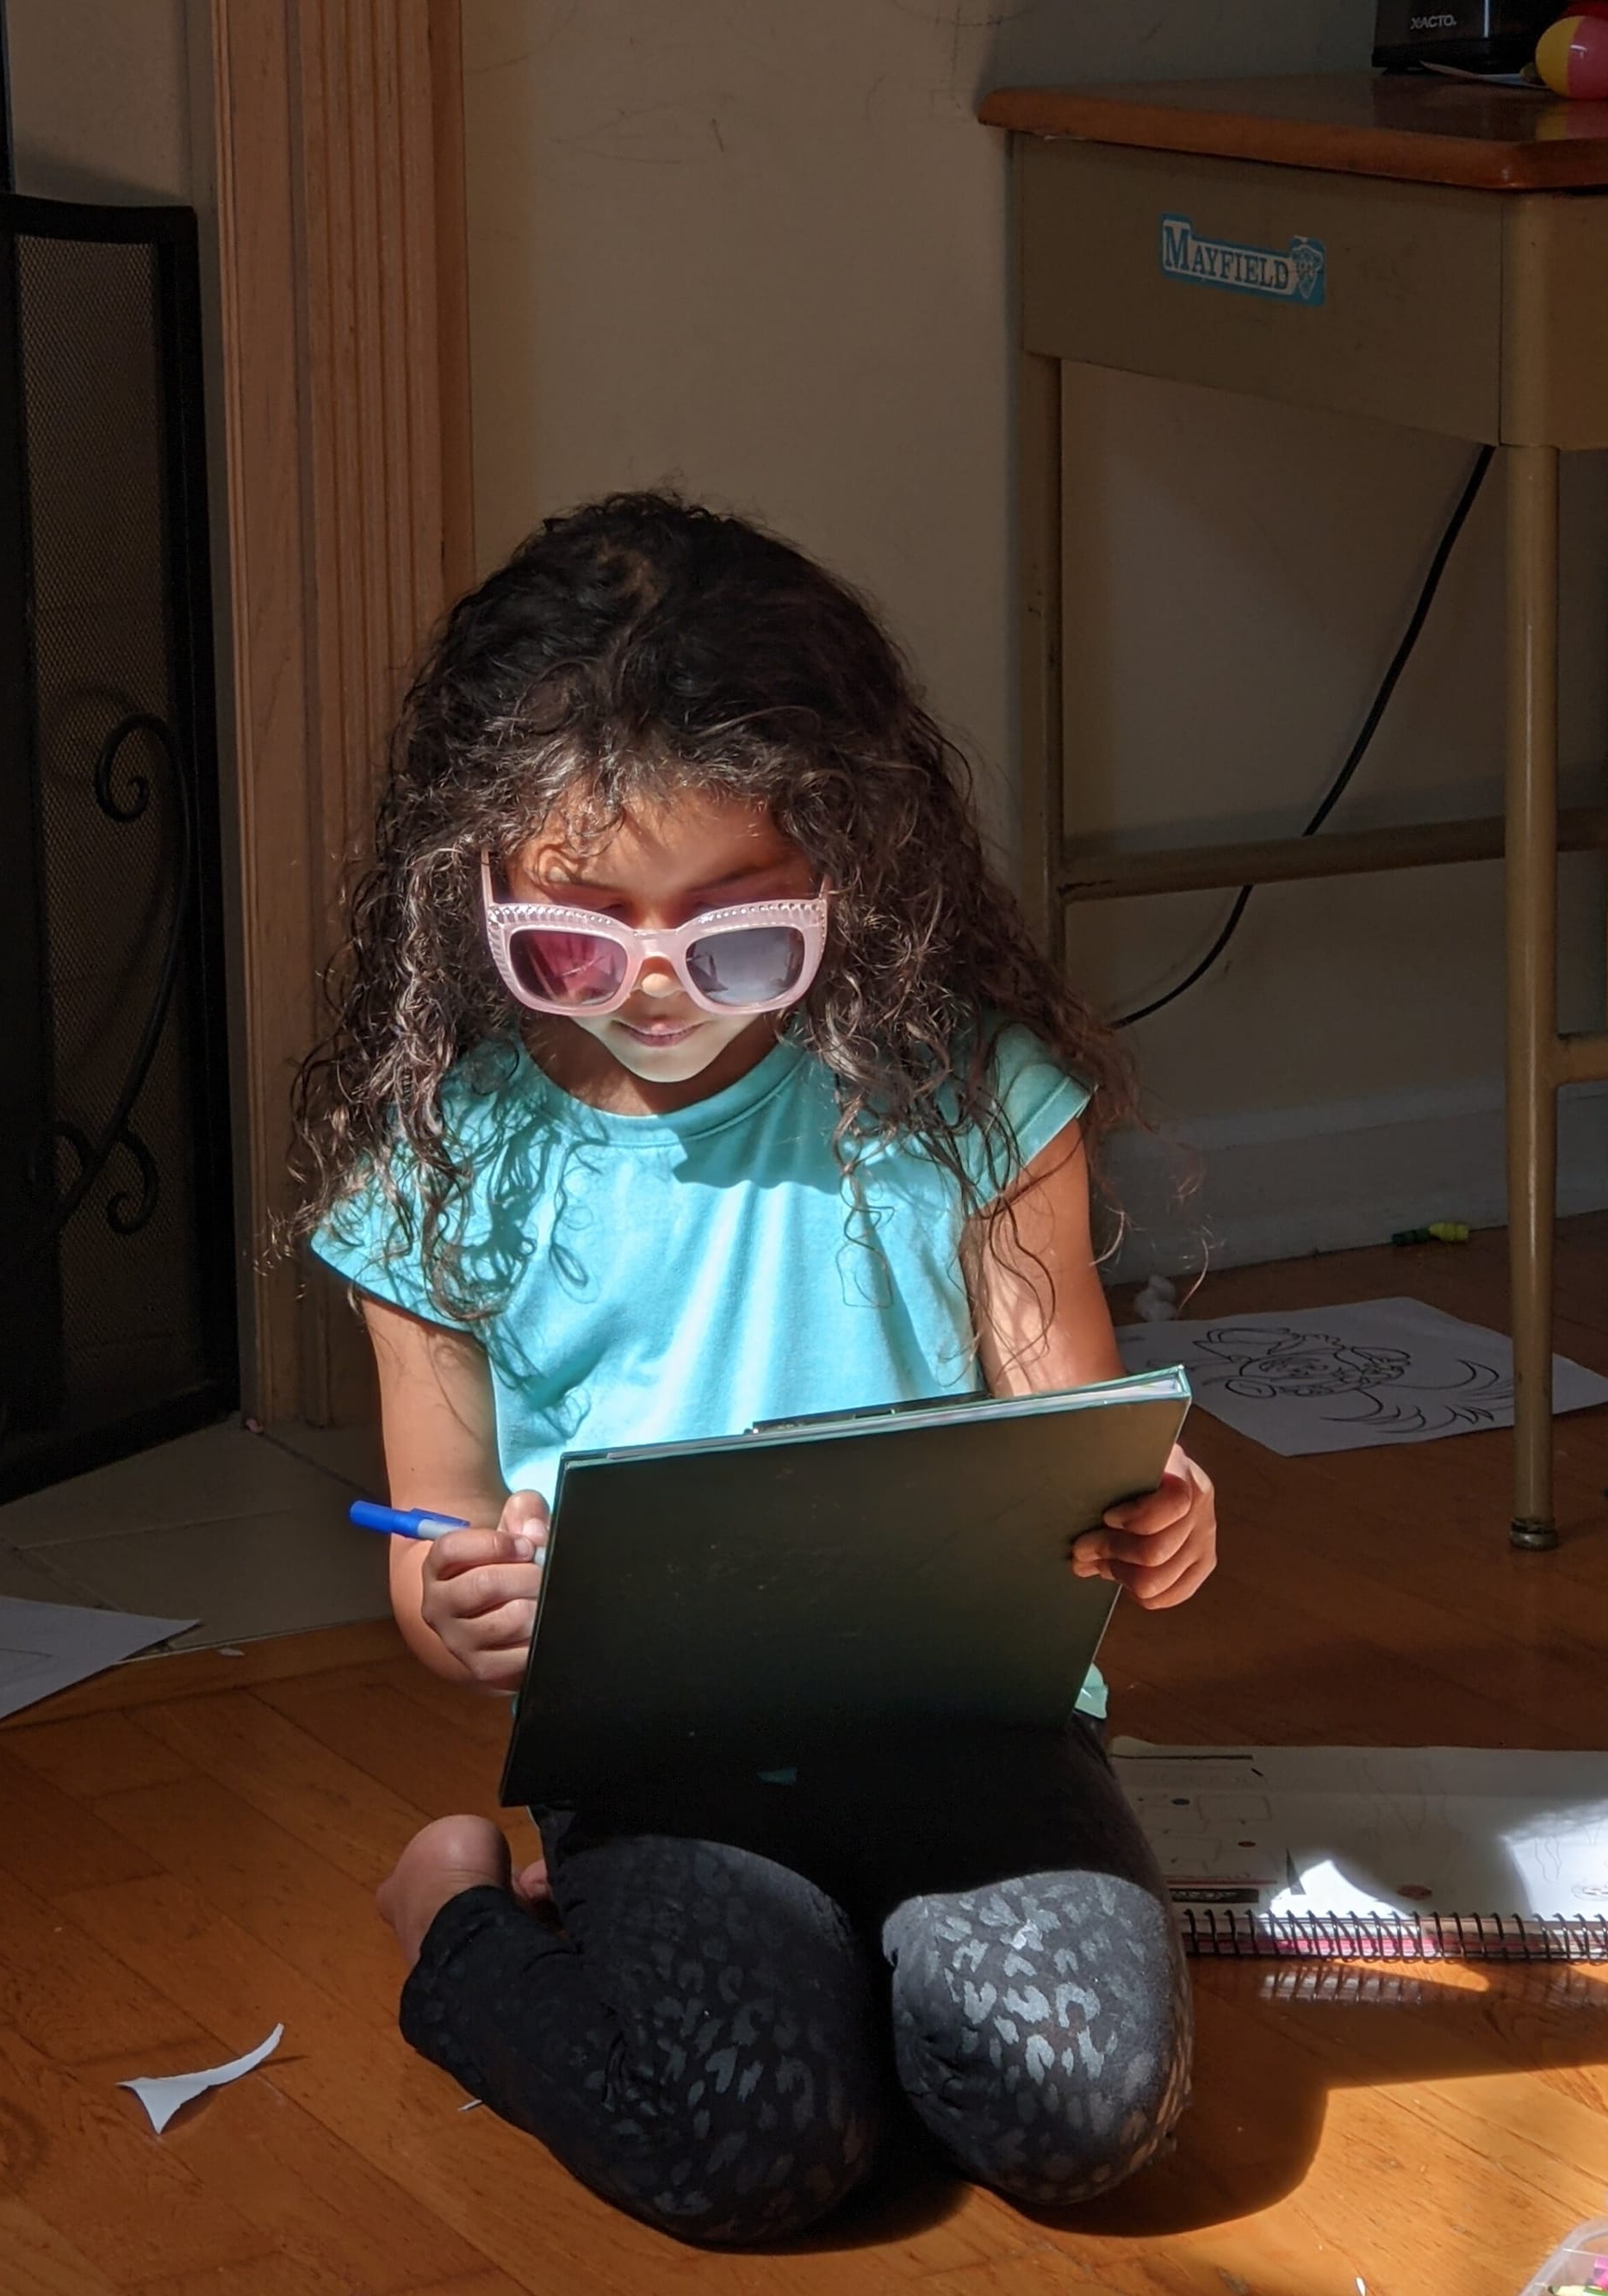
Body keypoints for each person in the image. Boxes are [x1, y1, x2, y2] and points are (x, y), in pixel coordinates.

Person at [294, 492, 1217, 2246]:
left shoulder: (964, 1098)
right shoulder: (443, 1160)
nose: (649, 994)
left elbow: (1080, 1446)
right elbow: (428, 1551)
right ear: (466, 882)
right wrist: (457, 1597)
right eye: (572, 941)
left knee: (1082, 2114)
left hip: (969, 1725)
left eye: (730, 939)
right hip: (663, 1756)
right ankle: (455, 1913)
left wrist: (1161, 1515)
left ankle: (850, 1979)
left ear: (850, 867)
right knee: (746, 2154)